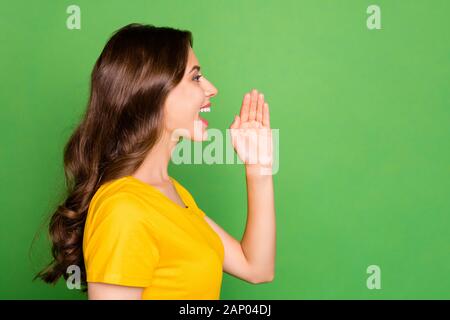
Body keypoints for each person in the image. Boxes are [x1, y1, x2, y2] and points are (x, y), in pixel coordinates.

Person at [36, 23, 275, 300]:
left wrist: (259, 168)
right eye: (195, 78)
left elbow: (256, 268)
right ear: (153, 94)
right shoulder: (122, 208)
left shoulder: (171, 191)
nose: (211, 89)